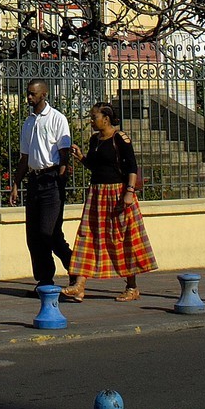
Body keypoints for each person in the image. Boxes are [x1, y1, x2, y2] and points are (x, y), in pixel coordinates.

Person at [62, 101, 156, 302]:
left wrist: (129, 192)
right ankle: (79, 285)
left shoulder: (120, 138)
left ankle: (132, 287)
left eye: (94, 116)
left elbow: (131, 167)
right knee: (88, 237)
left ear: (106, 118)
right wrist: (81, 158)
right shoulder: (95, 140)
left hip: (118, 194)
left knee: (122, 239)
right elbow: (95, 166)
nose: (91, 120)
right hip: (97, 194)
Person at [8, 78, 73, 291]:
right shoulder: (29, 122)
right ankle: (45, 281)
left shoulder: (56, 119)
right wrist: (16, 183)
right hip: (35, 181)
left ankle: (75, 270)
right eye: (27, 93)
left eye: (32, 94)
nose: (28, 97)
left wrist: (61, 176)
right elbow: (25, 157)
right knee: (34, 235)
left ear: (43, 94)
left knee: (50, 232)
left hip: (51, 179)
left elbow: (64, 153)